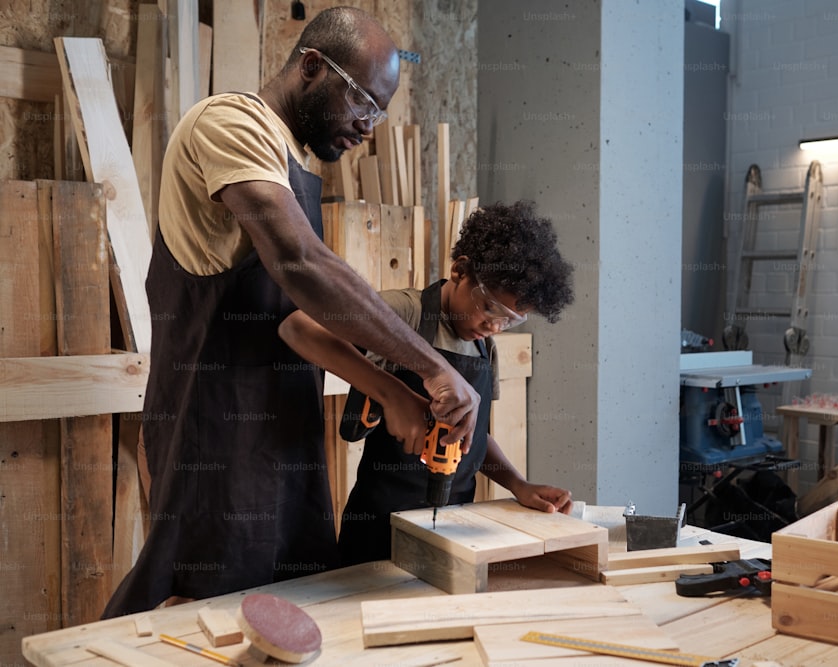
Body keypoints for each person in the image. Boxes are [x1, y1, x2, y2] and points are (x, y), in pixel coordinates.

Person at [102, 7, 480, 617]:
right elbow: (301, 265)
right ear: (311, 67)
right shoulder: (232, 124)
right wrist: (433, 368)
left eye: (380, 112)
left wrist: (388, 389)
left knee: (291, 603)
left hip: (281, 427)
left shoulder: (292, 159)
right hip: (215, 428)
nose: (369, 127)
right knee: (203, 612)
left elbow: (292, 325)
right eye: (364, 104)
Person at [278, 200, 576, 565]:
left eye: (510, 320)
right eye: (490, 308)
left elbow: (475, 435)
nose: (494, 325)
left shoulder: (485, 346)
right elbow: (298, 327)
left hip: (452, 525)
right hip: (379, 525)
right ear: (460, 270)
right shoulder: (406, 313)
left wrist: (518, 485)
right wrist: (391, 394)